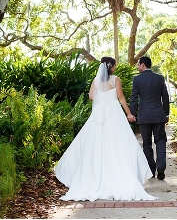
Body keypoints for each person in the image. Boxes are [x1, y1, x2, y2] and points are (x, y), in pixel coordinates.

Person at [55, 57, 156, 201]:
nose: (115, 68)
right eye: (114, 66)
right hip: (114, 114)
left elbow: (91, 96)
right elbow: (121, 98)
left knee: (95, 146)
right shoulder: (116, 80)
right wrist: (128, 113)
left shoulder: (96, 81)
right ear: (111, 67)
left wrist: (101, 97)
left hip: (98, 116)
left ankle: (93, 179)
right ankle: (122, 176)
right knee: (120, 145)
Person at [129, 56, 170, 180]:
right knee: (161, 140)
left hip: (144, 116)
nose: (137, 66)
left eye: (138, 64)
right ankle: (161, 167)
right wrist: (166, 113)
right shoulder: (159, 78)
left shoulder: (137, 79)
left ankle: (151, 170)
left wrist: (132, 114)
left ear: (142, 65)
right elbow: (165, 97)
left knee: (147, 144)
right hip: (158, 115)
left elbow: (134, 98)